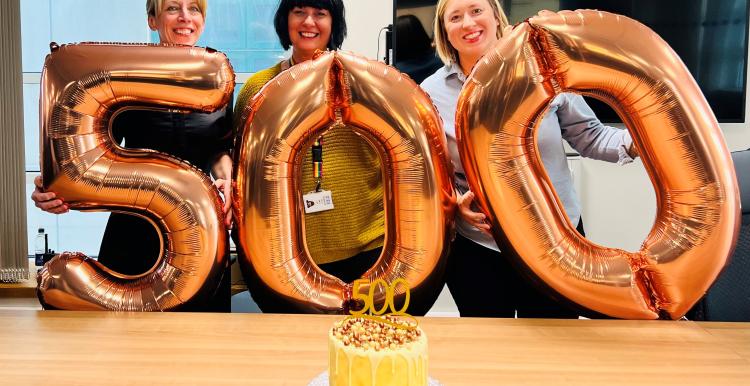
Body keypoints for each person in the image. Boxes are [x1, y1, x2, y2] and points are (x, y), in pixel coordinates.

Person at [420, 0, 638, 318]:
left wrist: (643, 140)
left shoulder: (542, 69)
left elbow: (592, 137)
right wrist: (454, 204)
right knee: (492, 348)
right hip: (480, 247)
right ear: (445, 32)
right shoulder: (431, 92)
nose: (468, 23)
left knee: (556, 342)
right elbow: (428, 172)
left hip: (557, 239)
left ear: (496, 16)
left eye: (476, 10)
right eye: (455, 17)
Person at [31, 0, 233, 312]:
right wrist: (53, 187)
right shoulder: (123, 77)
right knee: (131, 348)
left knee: (203, 347)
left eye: (194, 9)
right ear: (152, 20)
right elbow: (83, 150)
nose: (185, 18)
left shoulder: (217, 80)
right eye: (172, 8)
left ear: (203, 21)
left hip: (200, 237)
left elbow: (219, 150)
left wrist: (226, 178)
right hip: (134, 232)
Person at [233, 0, 384, 310]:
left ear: (334, 23)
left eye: (320, 13)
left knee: (362, 347)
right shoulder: (259, 88)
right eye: (299, 11)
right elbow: (240, 165)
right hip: (287, 253)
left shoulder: (364, 81)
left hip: (367, 247)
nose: (309, 22)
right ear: (285, 21)